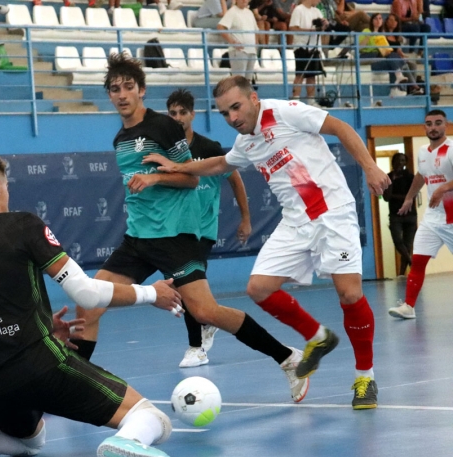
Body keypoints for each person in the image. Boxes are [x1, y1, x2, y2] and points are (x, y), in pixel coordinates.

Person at [0, 151, 185, 457]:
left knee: (28, 441)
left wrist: (38, 322)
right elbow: (87, 293)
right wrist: (152, 293)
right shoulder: (23, 225)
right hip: (39, 367)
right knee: (148, 416)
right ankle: (128, 441)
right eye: (6, 187)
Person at [73, 53, 310, 404]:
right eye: (114, 89)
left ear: (141, 90)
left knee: (205, 312)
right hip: (138, 238)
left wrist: (153, 178)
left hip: (174, 237)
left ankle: (289, 358)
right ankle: (72, 385)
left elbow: (188, 179)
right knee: (88, 305)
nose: (121, 94)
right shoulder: (120, 138)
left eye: (127, 87)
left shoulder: (163, 126)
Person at [156, 76, 392, 409]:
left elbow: (340, 127)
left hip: (332, 213)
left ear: (253, 98)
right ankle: (318, 337)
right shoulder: (245, 142)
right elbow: (222, 163)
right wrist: (178, 165)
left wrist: (369, 167)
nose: (232, 117)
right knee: (258, 289)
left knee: (350, 293)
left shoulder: (286, 112)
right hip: (295, 222)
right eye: (224, 113)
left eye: (236, 107)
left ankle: (365, 377)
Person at [165, 88, 251, 368]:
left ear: (193, 114)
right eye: (172, 113)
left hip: (202, 229)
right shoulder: (165, 149)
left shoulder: (209, 148)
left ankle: (196, 348)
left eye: (182, 112)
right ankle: (209, 323)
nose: (177, 118)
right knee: (184, 288)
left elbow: (235, 180)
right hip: (174, 229)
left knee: (186, 285)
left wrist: (246, 219)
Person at [389, 110, 453, 319]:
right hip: (433, 219)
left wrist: (443, 189)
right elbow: (420, 175)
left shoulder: (451, 149)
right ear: (424, 127)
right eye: (428, 123)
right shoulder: (423, 151)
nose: (433, 127)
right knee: (418, 260)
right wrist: (409, 198)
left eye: (437, 123)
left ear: (445, 125)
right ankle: (408, 306)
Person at [359, 13, 422, 97]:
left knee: (394, 61)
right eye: (376, 19)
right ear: (372, 21)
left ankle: (394, 89)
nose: (378, 21)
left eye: (380, 18)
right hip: (368, 56)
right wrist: (370, 35)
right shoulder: (366, 31)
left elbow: (386, 50)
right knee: (395, 59)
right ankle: (413, 86)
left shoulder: (381, 34)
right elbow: (359, 47)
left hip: (379, 57)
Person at [382, 152, 418, 276]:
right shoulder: (388, 177)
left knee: (407, 245)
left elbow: (412, 196)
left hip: (410, 215)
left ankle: (402, 273)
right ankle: (411, 261)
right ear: (393, 163)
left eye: (403, 160)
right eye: (398, 160)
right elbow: (386, 197)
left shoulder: (410, 177)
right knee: (398, 240)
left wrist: (394, 196)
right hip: (395, 215)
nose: (400, 163)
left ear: (405, 163)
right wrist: (392, 180)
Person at [289, 0, 328, 106]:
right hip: (301, 46)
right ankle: (295, 100)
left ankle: (311, 100)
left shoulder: (317, 11)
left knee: (312, 76)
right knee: (300, 74)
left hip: (314, 47)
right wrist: (310, 31)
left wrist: (324, 25)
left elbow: (322, 29)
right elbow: (293, 28)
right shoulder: (298, 10)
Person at [217, 0, 258, 83]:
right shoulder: (232, 11)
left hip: (251, 51)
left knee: (248, 81)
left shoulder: (249, 13)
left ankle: (245, 96)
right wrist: (232, 42)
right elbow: (220, 27)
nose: (244, 0)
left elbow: (256, 30)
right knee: (239, 81)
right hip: (239, 51)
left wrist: (256, 45)